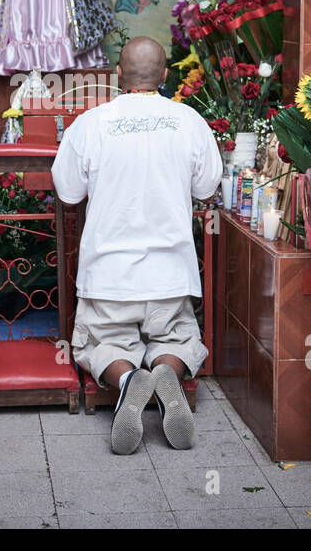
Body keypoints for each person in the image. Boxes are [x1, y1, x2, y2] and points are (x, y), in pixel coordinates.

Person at [50, 36, 222, 454]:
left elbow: (68, 192)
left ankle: (128, 379)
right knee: (179, 337)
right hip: (170, 273)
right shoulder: (189, 121)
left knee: (98, 343)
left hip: (108, 276)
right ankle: (167, 372)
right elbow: (207, 187)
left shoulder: (90, 124)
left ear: (118, 75)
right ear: (165, 76)